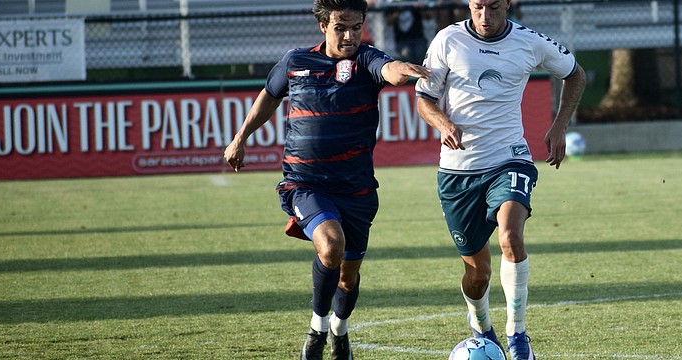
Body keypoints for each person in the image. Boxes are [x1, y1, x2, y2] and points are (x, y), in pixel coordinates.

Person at [223, 1, 430, 359]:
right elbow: (269, 97)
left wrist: (406, 71)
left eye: (356, 27)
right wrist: (240, 137)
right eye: (340, 28)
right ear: (323, 26)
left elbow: (390, 69)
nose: (349, 36)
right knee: (331, 247)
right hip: (306, 183)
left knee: (348, 275)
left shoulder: (366, 59)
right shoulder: (295, 62)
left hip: (357, 190)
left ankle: (339, 330)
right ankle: (317, 331)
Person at [415, 0, 586, 359]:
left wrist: (559, 125)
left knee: (511, 236)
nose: (484, 16)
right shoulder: (447, 40)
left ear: (508, 4)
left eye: (493, 7)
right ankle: (481, 326)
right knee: (477, 275)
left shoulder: (530, 41)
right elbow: (424, 100)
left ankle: (518, 336)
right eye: (477, 7)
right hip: (458, 172)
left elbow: (575, 73)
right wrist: (443, 123)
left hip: (510, 160)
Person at [385, 0, 429, 64]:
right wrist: (398, 11)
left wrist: (421, 8)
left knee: (421, 57)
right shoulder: (393, 5)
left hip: (417, 38)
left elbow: (428, 17)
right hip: (402, 40)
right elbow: (388, 22)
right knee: (407, 57)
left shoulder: (413, 3)